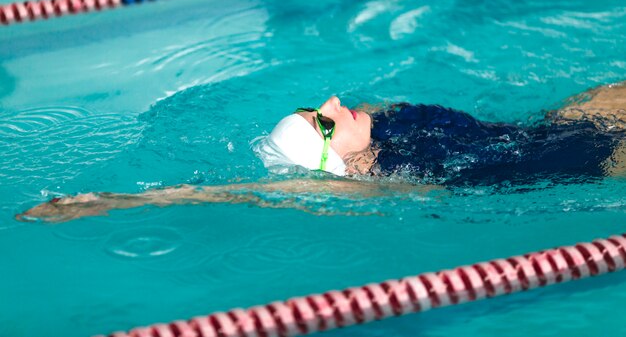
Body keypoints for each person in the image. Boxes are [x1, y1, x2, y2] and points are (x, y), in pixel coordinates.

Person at [17, 82, 626, 223]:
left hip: (552, 124)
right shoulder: (401, 179)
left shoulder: (389, 128)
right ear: (333, 158)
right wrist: (113, 203)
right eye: (323, 117)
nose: (335, 100)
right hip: (583, 158)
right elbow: (248, 191)